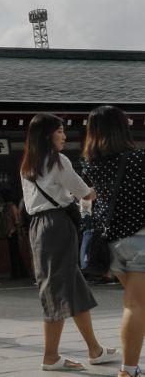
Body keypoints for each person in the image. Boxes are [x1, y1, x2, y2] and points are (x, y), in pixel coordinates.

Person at [20, 113, 119, 370]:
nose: (64, 136)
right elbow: (85, 192)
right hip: (57, 225)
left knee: (73, 287)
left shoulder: (27, 164)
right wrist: (101, 189)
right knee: (56, 288)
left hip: (39, 226)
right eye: (60, 131)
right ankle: (50, 356)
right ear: (47, 135)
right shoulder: (58, 160)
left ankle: (94, 349)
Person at [82, 105, 145, 377]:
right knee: (135, 305)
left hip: (113, 244)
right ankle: (127, 370)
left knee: (137, 303)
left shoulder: (91, 164)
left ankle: (131, 366)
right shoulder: (140, 159)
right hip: (141, 239)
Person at [0, 189, 28, 280]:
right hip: (12, 232)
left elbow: (16, 220)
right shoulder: (11, 206)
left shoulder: (7, 206)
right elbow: (16, 219)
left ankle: (18, 272)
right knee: (15, 252)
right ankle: (21, 271)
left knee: (14, 253)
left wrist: (14, 229)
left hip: (12, 232)